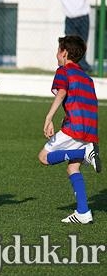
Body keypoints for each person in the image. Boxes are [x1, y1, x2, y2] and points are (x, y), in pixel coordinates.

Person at [38, 35, 101, 224]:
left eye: (58, 51)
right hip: (89, 128)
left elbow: (63, 92)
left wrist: (49, 117)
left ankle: (84, 152)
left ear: (64, 53)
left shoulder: (64, 70)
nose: (57, 54)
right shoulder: (86, 77)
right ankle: (83, 212)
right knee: (73, 167)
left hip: (75, 126)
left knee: (44, 157)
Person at [45, 0, 97, 73]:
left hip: (83, 18)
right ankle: (74, 66)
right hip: (70, 20)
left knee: (82, 43)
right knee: (70, 44)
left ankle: (82, 66)